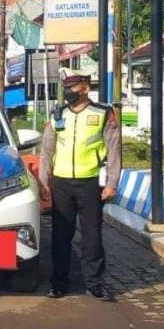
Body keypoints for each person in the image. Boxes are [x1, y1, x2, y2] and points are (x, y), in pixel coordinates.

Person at [39, 69, 122, 301]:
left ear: (85, 89)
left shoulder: (103, 113)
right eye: (66, 88)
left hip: (90, 183)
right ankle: (58, 284)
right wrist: (44, 183)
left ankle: (95, 284)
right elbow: (46, 151)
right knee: (60, 237)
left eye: (72, 89)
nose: (68, 93)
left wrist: (112, 183)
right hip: (62, 183)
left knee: (92, 237)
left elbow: (114, 150)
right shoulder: (58, 114)